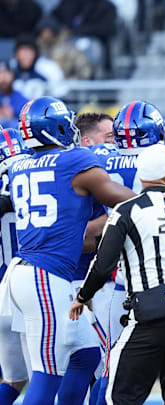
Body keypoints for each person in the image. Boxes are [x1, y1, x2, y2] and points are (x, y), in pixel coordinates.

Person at [1, 97, 134, 405]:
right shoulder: (73, 161)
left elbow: (76, 232)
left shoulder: (21, 165)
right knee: (47, 373)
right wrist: (158, 200)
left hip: (30, 274)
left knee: (85, 355)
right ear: (56, 127)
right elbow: (125, 200)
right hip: (42, 277)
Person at [70, 143, 165, 405]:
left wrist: (83, 296)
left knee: (119, 396)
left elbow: (104, 263)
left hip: (151, 313)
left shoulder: (127, 210)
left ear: (142, 177)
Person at [0, 128, 32, 404]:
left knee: (14, 378)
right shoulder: (34, 182)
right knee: (45, 376)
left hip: (1, 292)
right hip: (27, 288)